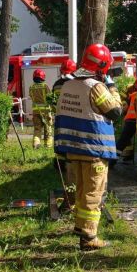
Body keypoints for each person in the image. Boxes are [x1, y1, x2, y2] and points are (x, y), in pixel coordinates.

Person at [53, 44, 122, 251]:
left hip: (74, 148)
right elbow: (115, 112)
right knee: (94, 192)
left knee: (82, 190)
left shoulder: (68, 85)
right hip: (94, 149)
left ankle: (80, 227)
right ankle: (89, 237)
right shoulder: (96, 87)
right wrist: (113, 88)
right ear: (101, 67)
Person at [52, 58, 79, 207]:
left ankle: (61, 164)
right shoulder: (76, 84)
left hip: (60, 119)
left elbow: (53, 102)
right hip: (73, 120)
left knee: (60, 143)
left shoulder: (57, 84)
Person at [117, 75, 137, 161]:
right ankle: (128, 153)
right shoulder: (129, 88)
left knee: (125, 137)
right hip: (129, 114)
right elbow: (121, 97)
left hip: (136, 117)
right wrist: (125, 104)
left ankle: (127, 154)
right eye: (136, 86)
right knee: (126, 137)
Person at [27, 69, 53, 149]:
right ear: (43, 77)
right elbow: (50, 97)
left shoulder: (31, 87)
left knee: (37, 129)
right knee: (47, 128)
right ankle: (48, 146)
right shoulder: (45, 86)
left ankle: (36, 144)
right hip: (45, 111)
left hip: (36, 111)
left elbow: (31, 96)